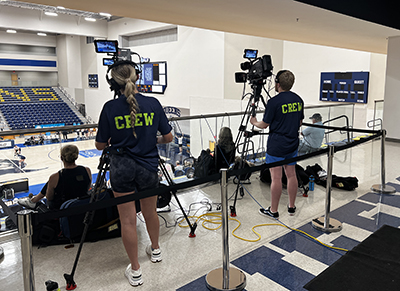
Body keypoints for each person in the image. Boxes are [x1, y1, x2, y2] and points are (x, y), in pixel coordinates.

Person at [95, 61, 173, 287]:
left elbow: (100, 145)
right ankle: (156, 250)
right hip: (149, 166)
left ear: (113, 82)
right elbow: (168, 138)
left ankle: (136, 270)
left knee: (127, 220)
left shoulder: (109, 108)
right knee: (150, 212)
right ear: (137, 78)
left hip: (121, 168)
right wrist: (150, 139)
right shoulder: (154, 103)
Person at [250, 70, 304, 219]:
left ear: (278, 84)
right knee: (291, 175)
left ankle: (273, 210)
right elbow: (299, 122)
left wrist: (254, 122)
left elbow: (264, 125)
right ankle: (291, 207)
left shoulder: (274, 102)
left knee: (276, 178)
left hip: (277, 145)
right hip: (292, 142)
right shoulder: (298, 100)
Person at [18, 145, 92, 210]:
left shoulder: (55, 176)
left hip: (62, 210)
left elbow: (49, 198)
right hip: (82, 206)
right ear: (76, 156)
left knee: (54, 180)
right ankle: (33, 200)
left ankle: (33, 201)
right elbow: (87, 187)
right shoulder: (86, 170)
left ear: (61, 158)